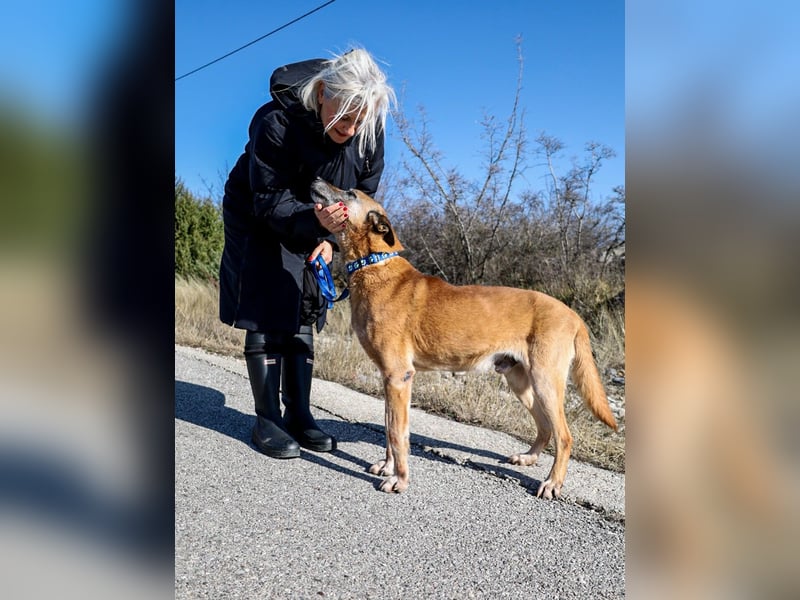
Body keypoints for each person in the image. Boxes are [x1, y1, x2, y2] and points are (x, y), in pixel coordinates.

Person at [218, 48, 396, 459]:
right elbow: (268, 198)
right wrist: (316, 221)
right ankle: (267, 420)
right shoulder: (276, 121)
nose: (351, 129)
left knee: (306, 301)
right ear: (321, 94)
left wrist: (330, 238)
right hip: (258, 210)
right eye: (344, 116)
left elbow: (364, 193)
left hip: (324, 218)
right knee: (269, 296)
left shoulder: (367, 131)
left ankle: (299, 414)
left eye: (360, 119)